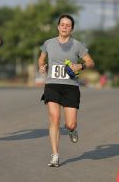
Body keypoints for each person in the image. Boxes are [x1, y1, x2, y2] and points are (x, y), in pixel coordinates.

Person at [38, 14, 94, 167]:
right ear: (58, 27)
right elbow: (41, 59)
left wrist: (80, 66)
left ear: (72, 29)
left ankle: (71, 130)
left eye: (68, 25)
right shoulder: (48, 43)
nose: (64, 27)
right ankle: (55, 155)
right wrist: (41, 66)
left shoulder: (77, 45)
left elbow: (90, 62)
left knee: (70, 124)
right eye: (62, 24)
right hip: (52, 85)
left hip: (70, 87)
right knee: (54, 118)